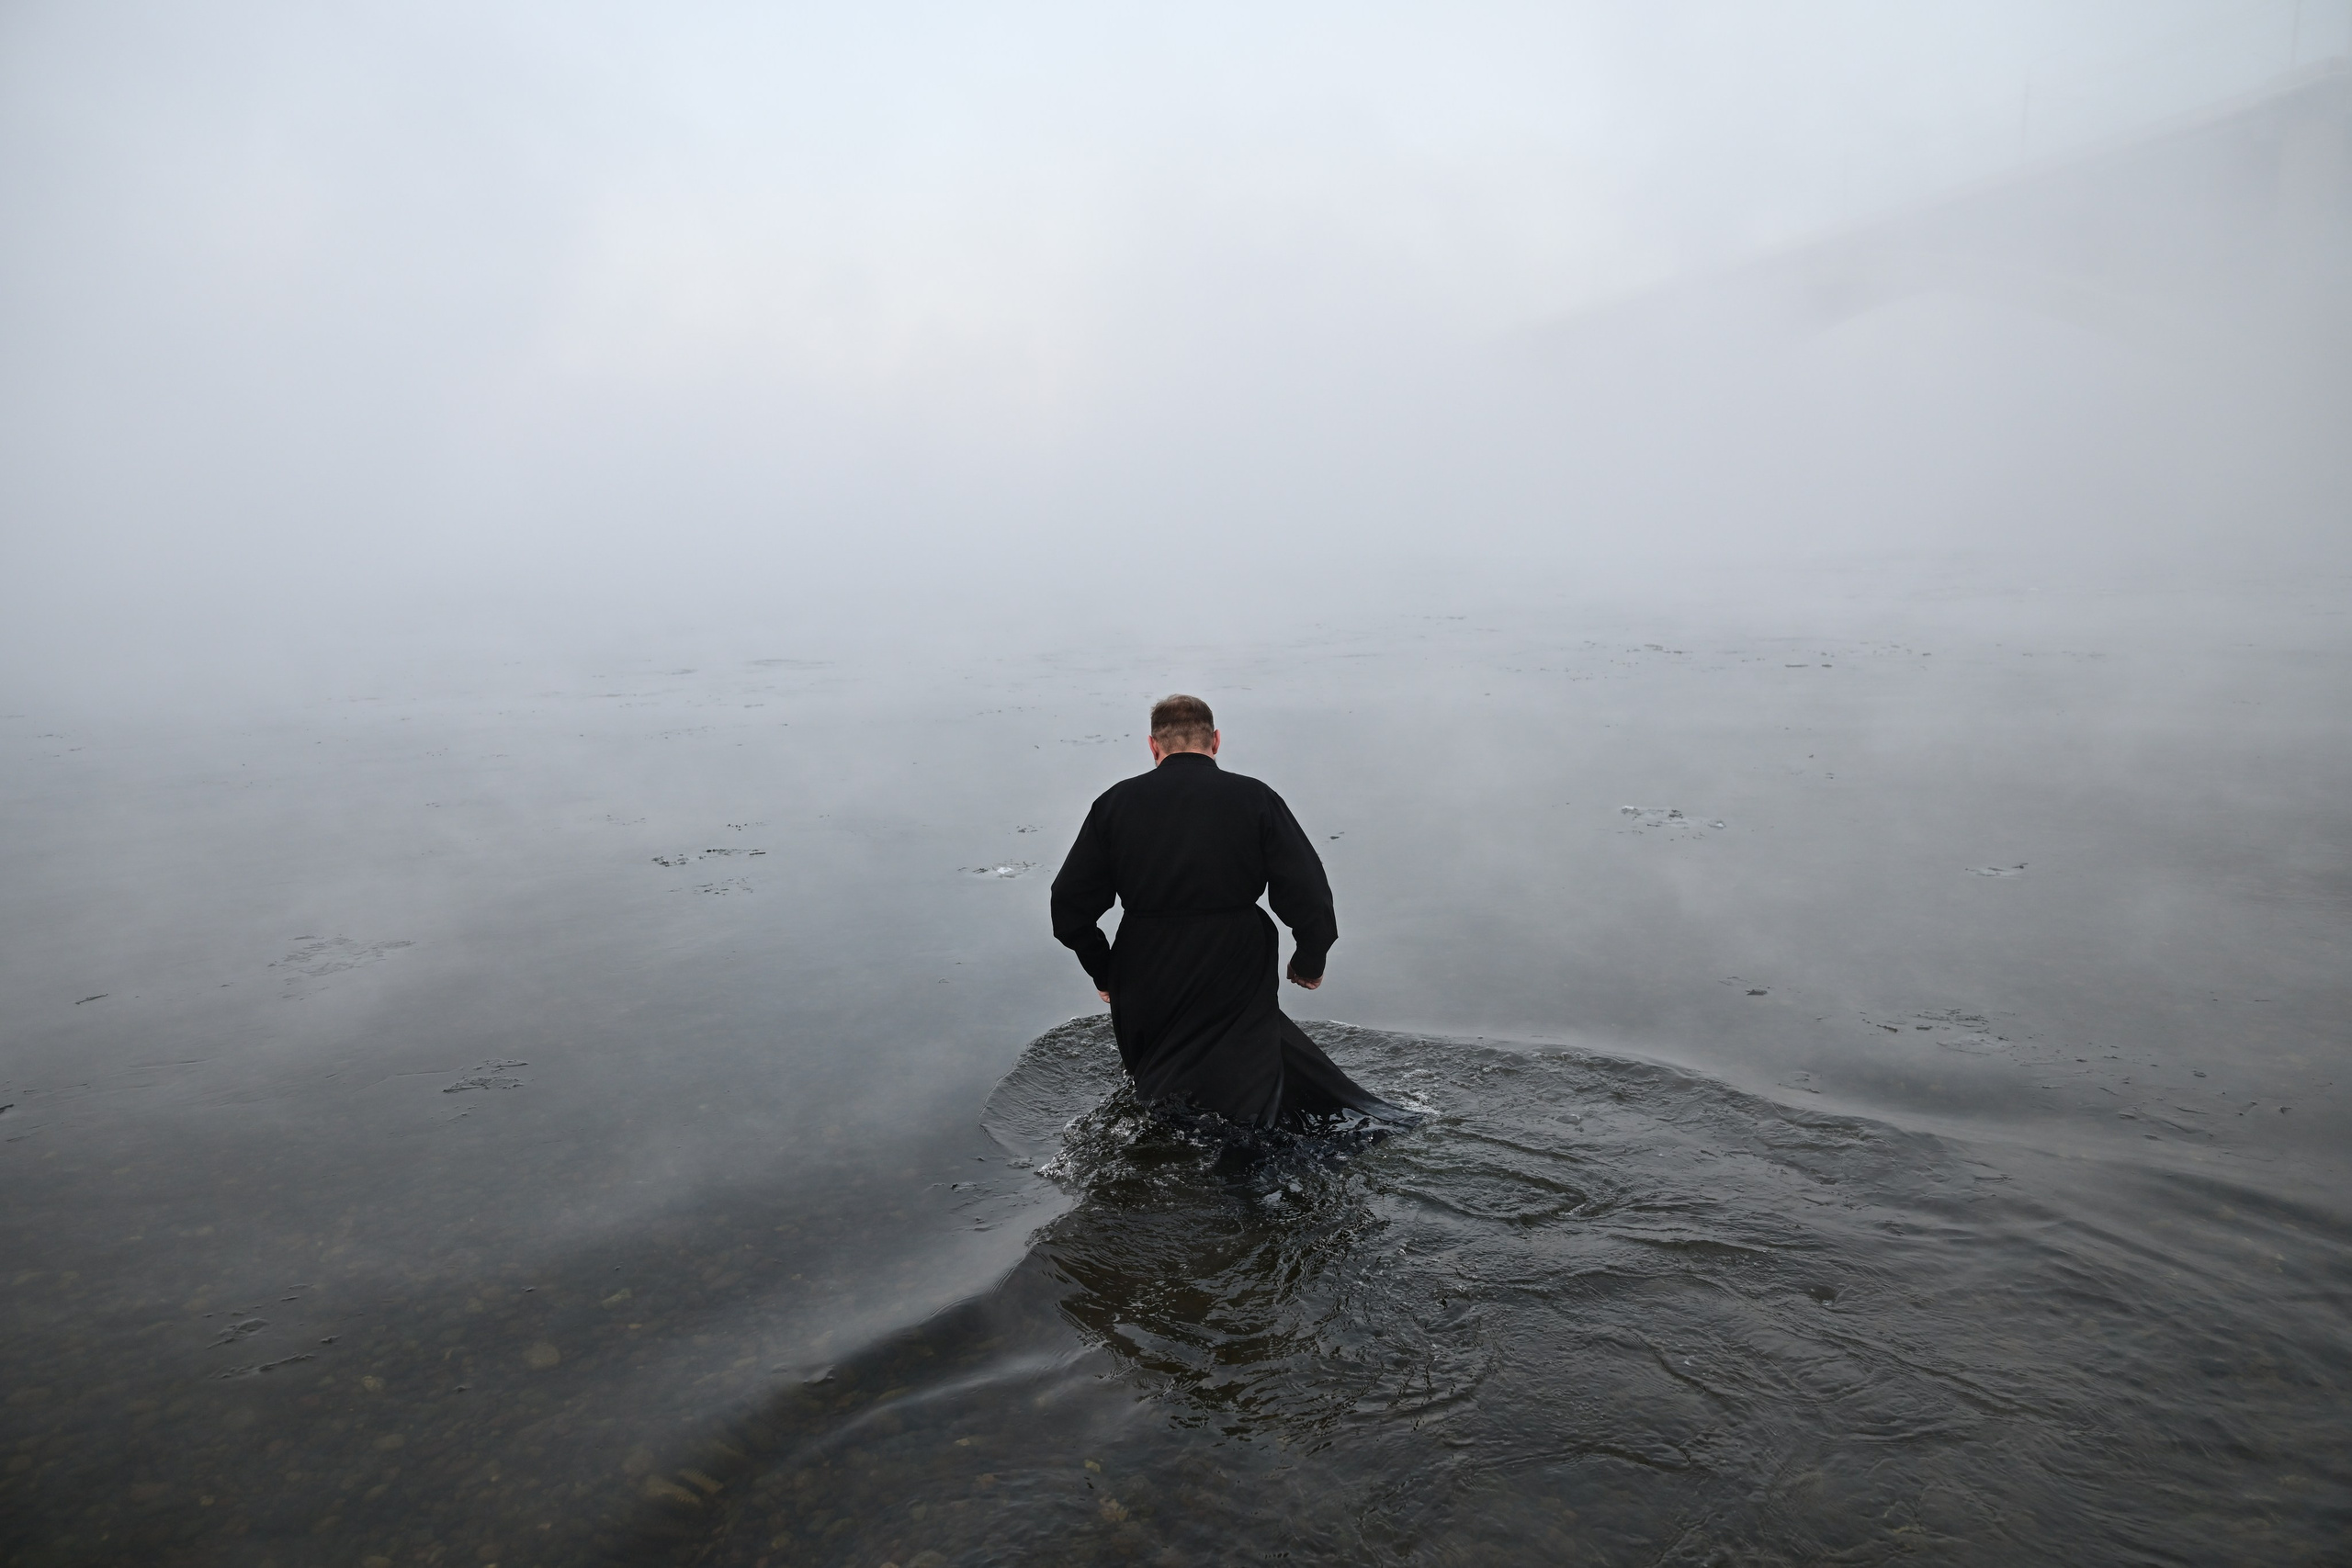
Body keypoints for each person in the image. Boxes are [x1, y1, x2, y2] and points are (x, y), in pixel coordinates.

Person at [1048, 694, 1404, 1130]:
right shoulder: (1254, 797)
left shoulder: (1114, 803)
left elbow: (1069, 905)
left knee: (1160, 1093)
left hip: (1144, 961)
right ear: (1215, 741)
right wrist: (1310, 959)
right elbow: (1308, 890)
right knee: (1247, 1083)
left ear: (1153, 745)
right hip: (1235, 955)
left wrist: (1105, 971)